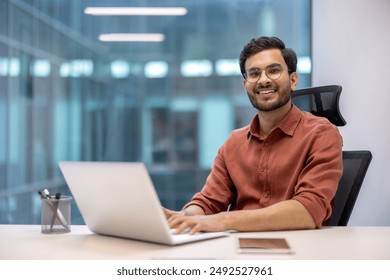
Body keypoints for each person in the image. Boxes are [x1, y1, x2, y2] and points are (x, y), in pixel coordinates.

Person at [164, 36, 343, 234]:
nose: (264, 80)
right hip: (238, 251)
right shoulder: (234, 143)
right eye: (254, 73)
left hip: (299, 251)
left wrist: (224, 221)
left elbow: (308, 211)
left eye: (274, 70)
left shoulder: (321, 134)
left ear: (293, 80)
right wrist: (183, 217)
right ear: (245, 85)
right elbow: (209, 202)